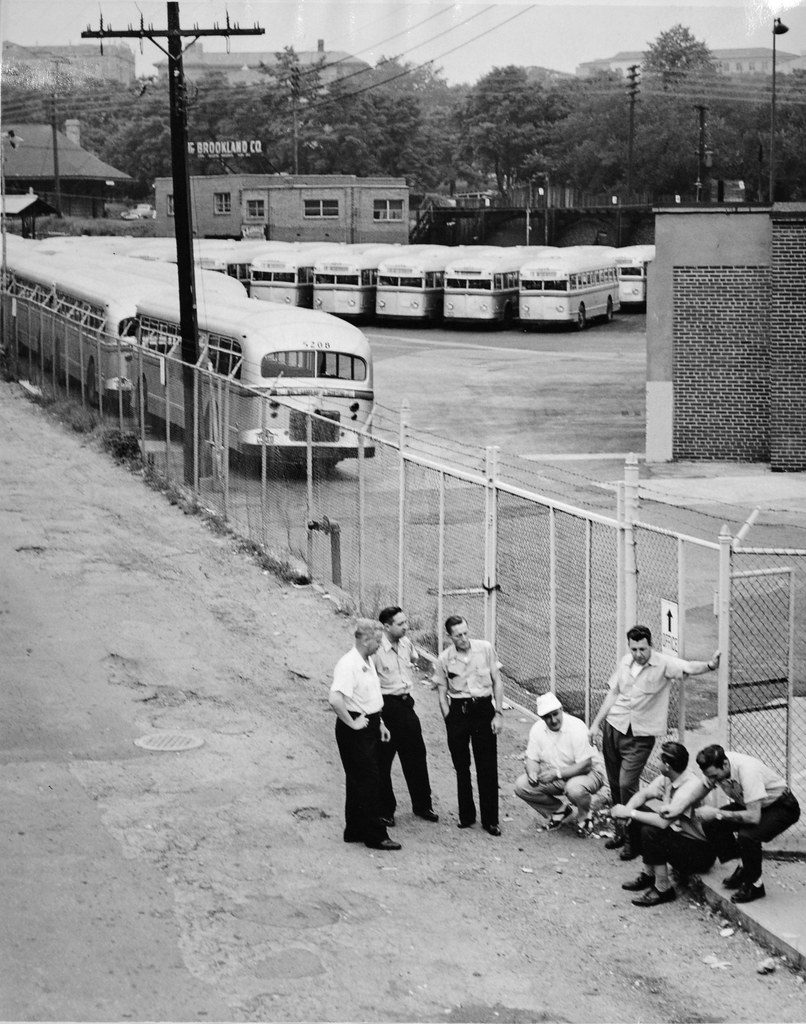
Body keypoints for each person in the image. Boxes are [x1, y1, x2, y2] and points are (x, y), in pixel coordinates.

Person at [589, 624, 720, 860]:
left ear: (651, 645)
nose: (639, 654)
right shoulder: (626, 662)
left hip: (640, 735)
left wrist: (710, 665)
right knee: (615, 784)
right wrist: (596, 723)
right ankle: (621, 831)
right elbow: (613, 693)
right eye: (634, 649)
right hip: (615, 727)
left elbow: (688, 666)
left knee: (627, 783)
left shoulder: (663, 664)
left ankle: (633, 840)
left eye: (643, 649)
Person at [610, 740, 716, 907]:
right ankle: (648, 875)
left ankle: (663, 889)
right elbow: (644, 794)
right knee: (640, 813)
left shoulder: (689, 787)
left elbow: (662, 823)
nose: (657, 762)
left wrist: (628, 813)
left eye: (659, 760)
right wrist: (628, 810)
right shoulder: (671, 776)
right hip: (682, 838)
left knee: (651, 831)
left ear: (667, 765)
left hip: (701, 852)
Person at [329, 618, 401, 851]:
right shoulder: (348, 664)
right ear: (366, 639)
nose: (380, 645)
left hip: (369, 722)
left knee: (358, 780)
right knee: (370, 781)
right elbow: (335, 699)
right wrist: (352, 723)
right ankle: (375, 835)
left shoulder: (366, 660)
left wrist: (378, 723)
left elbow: (368, 697)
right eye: (377, 640)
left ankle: (355, 829)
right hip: (355, 729)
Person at [695, 744, 801, 903]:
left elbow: (753, 817)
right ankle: (744, 866)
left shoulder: (747, 770)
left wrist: (716, 813)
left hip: (782, 806)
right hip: (754, 805)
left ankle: (755, 886)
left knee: (748, 837)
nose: (711, 781)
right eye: (708, 776)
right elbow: (697, 792)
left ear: (724, 765)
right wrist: (676, 808)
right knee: (712, 824)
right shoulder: (715, 768)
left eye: (714, 776)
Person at [434, 615, 504, 835]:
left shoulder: (484, 649)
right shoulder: (444, 659)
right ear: (450, 637)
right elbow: (441, 690)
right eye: (458, 635)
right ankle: (466, 815)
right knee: (461, 766)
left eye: (465, 633)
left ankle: (490, 819)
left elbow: (497, 681)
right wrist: (448, 717)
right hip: (459, 713)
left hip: (483, 710)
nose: (464, 638)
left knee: (487, 766)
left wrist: (499, 713)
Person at [372, 606, 438, 826]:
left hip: (406, 705)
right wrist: (379, 720)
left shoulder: (406, 644)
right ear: (387, 626)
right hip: (385, 707)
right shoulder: (375, 651)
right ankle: (385, 810)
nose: (406, 627)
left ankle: (422, 805)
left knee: (416, 756)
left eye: (406, 622)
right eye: (400, 624)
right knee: (383, 762)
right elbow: (371, 687)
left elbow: (412, 661)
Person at [513, 692, 605, 835]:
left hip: (590, 773)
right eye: (547, 717)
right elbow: (532, 758)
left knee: (574, 788)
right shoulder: (538, 729)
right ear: (542, 718)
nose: (553, 720)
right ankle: (561, 811)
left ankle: (585, 816)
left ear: (561, 710)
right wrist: (532, 772)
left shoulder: (576, 726)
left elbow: (586, 765)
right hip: (560, 774)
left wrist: (557, 774)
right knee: (521, 786)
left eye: (555, 714)